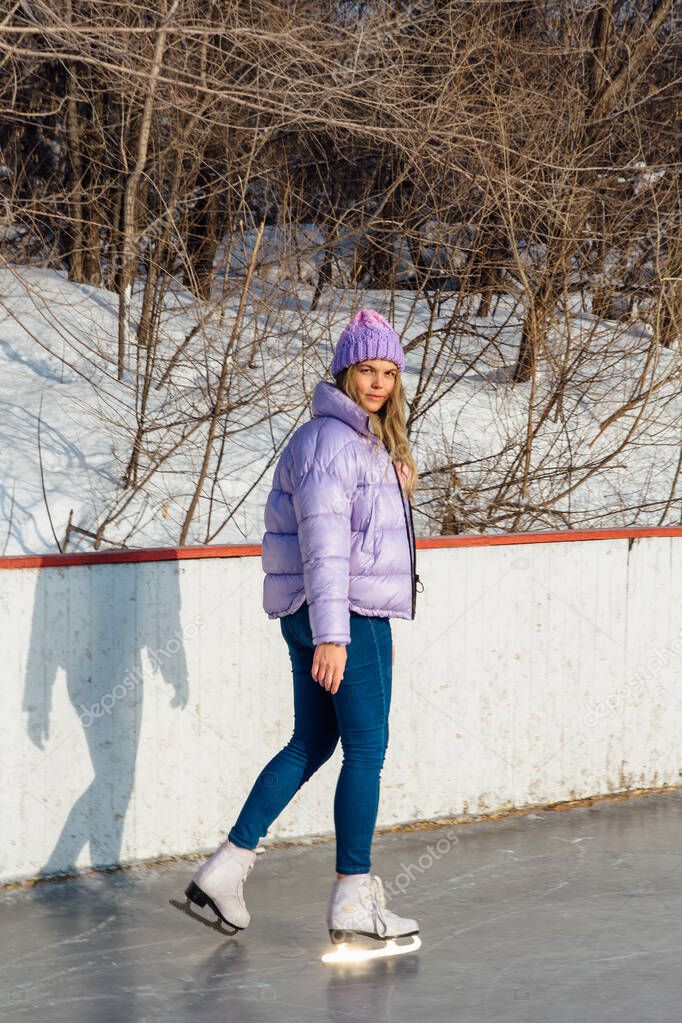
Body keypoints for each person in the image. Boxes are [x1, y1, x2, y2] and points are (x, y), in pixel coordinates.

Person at [184, 308, 422, 946]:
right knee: (365, 751)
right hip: (346, 616)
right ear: (344, 372)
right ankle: (352, 896)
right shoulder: (332, 443)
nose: (377, 382)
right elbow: (325, 548)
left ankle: (225, 869)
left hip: (316, 613)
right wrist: (335, 634)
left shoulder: (357, 441)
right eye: (366, 369)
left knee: (311, 742)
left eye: (388, 371)